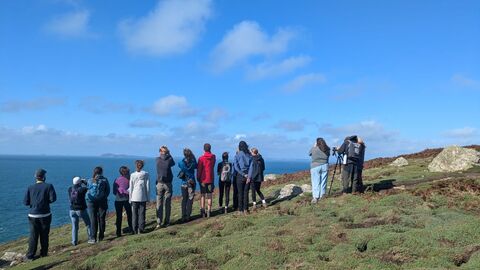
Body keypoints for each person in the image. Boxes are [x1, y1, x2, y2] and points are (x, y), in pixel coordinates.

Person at [24, 169, 56, 260]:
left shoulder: (30, 187)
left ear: (35, 177)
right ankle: (44, 254)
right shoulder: (49, 186)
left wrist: (34, 203)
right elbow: (53, 199)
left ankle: (30, 256)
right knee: (44, 235)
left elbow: (25, 202)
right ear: (44, 177)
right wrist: (45, 202)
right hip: (45, 214)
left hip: (33, 215)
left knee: (33, 236)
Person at [86, 166, 110, 242]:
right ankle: (101, 237)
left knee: (93, 219)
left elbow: (88, 190)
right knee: (102, 218)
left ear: (94, 172)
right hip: (102, 201)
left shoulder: (90, 180)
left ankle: (93, 238)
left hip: (91, 201)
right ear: (101, 172)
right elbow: (108, 190)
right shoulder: (104, 180)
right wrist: (103, 197)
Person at [68, 176, 94, 245]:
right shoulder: (82, 189)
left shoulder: (70, 189)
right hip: (81, 209)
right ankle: (91, 238)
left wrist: (80, 182)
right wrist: (84, 182)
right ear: (79, 182)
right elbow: (90, 187)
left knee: (74, 227)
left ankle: (74, 242)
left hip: (72, 210)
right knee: (88, 224)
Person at [156, 146, 175, 228]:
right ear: (167, 152)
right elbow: (173, 163)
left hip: (159, 183)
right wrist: (169, 154)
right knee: (167, 203)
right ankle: (167, 221)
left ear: (160, 151)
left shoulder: (157, 159)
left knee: (159, 203)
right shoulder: (169, 160)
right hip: (168, 184)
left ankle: (159, 222)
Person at [130, 160, 150, 234]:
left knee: (134, 214)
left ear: (136, 165)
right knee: (142, 213)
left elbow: (131, 187)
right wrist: (148, 197)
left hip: (134, 197)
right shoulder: (146, 174)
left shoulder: (132, 175)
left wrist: (130, 198)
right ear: (142, 166)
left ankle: (134, 229)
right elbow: (147, 187)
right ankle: (141, 229)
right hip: (143, 197)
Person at [197, 143, 216, 218]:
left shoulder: (201, 158)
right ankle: (209, 210)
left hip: (203, 179)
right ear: (210, 148)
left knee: (202, 195)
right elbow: (213, 165)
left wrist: (198, 178)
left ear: (204, 149)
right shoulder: (213, 157)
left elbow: (199, 170)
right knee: (209, 195)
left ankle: (202, 210)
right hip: (210, 179)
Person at [113, 166, 133, 237]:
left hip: (118, 200)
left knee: (119, 216)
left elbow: (114, 192)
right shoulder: (129, 180)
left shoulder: (116, 180)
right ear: (126, 172)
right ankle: (131, 228)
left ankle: (118, 232)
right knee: (129, 214)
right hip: (127, 199)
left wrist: (120, 191)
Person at [309, 138, 330, 203]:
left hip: (315, 166)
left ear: (317, 143)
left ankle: (315, 197)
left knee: (315, 182)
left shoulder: (314, 149)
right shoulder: (327, 149)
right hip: (325, 166)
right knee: (323, 181)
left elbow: (309, 153)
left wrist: (314, 146)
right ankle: (322, 195)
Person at [178, 148, 197, 222]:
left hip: (184, 183)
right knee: (190, 199)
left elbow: (179, 164)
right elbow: (196, 166)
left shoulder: (182, 162)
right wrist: (193, 156)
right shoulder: (193, 162)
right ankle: (188, 216)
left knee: (184, 200)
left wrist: (185, 157)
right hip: (191, 183)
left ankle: (183, 216)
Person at [234, 141, 252, 215]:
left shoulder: (237, 155)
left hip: (240, 176)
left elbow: (236, 167)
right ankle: (246, 210)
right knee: (246, 193)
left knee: (240, 193)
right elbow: (251, 167)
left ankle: (240, 210)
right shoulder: (249, 155)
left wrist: (242, 174)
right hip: (248, 176)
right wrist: (249, 176)